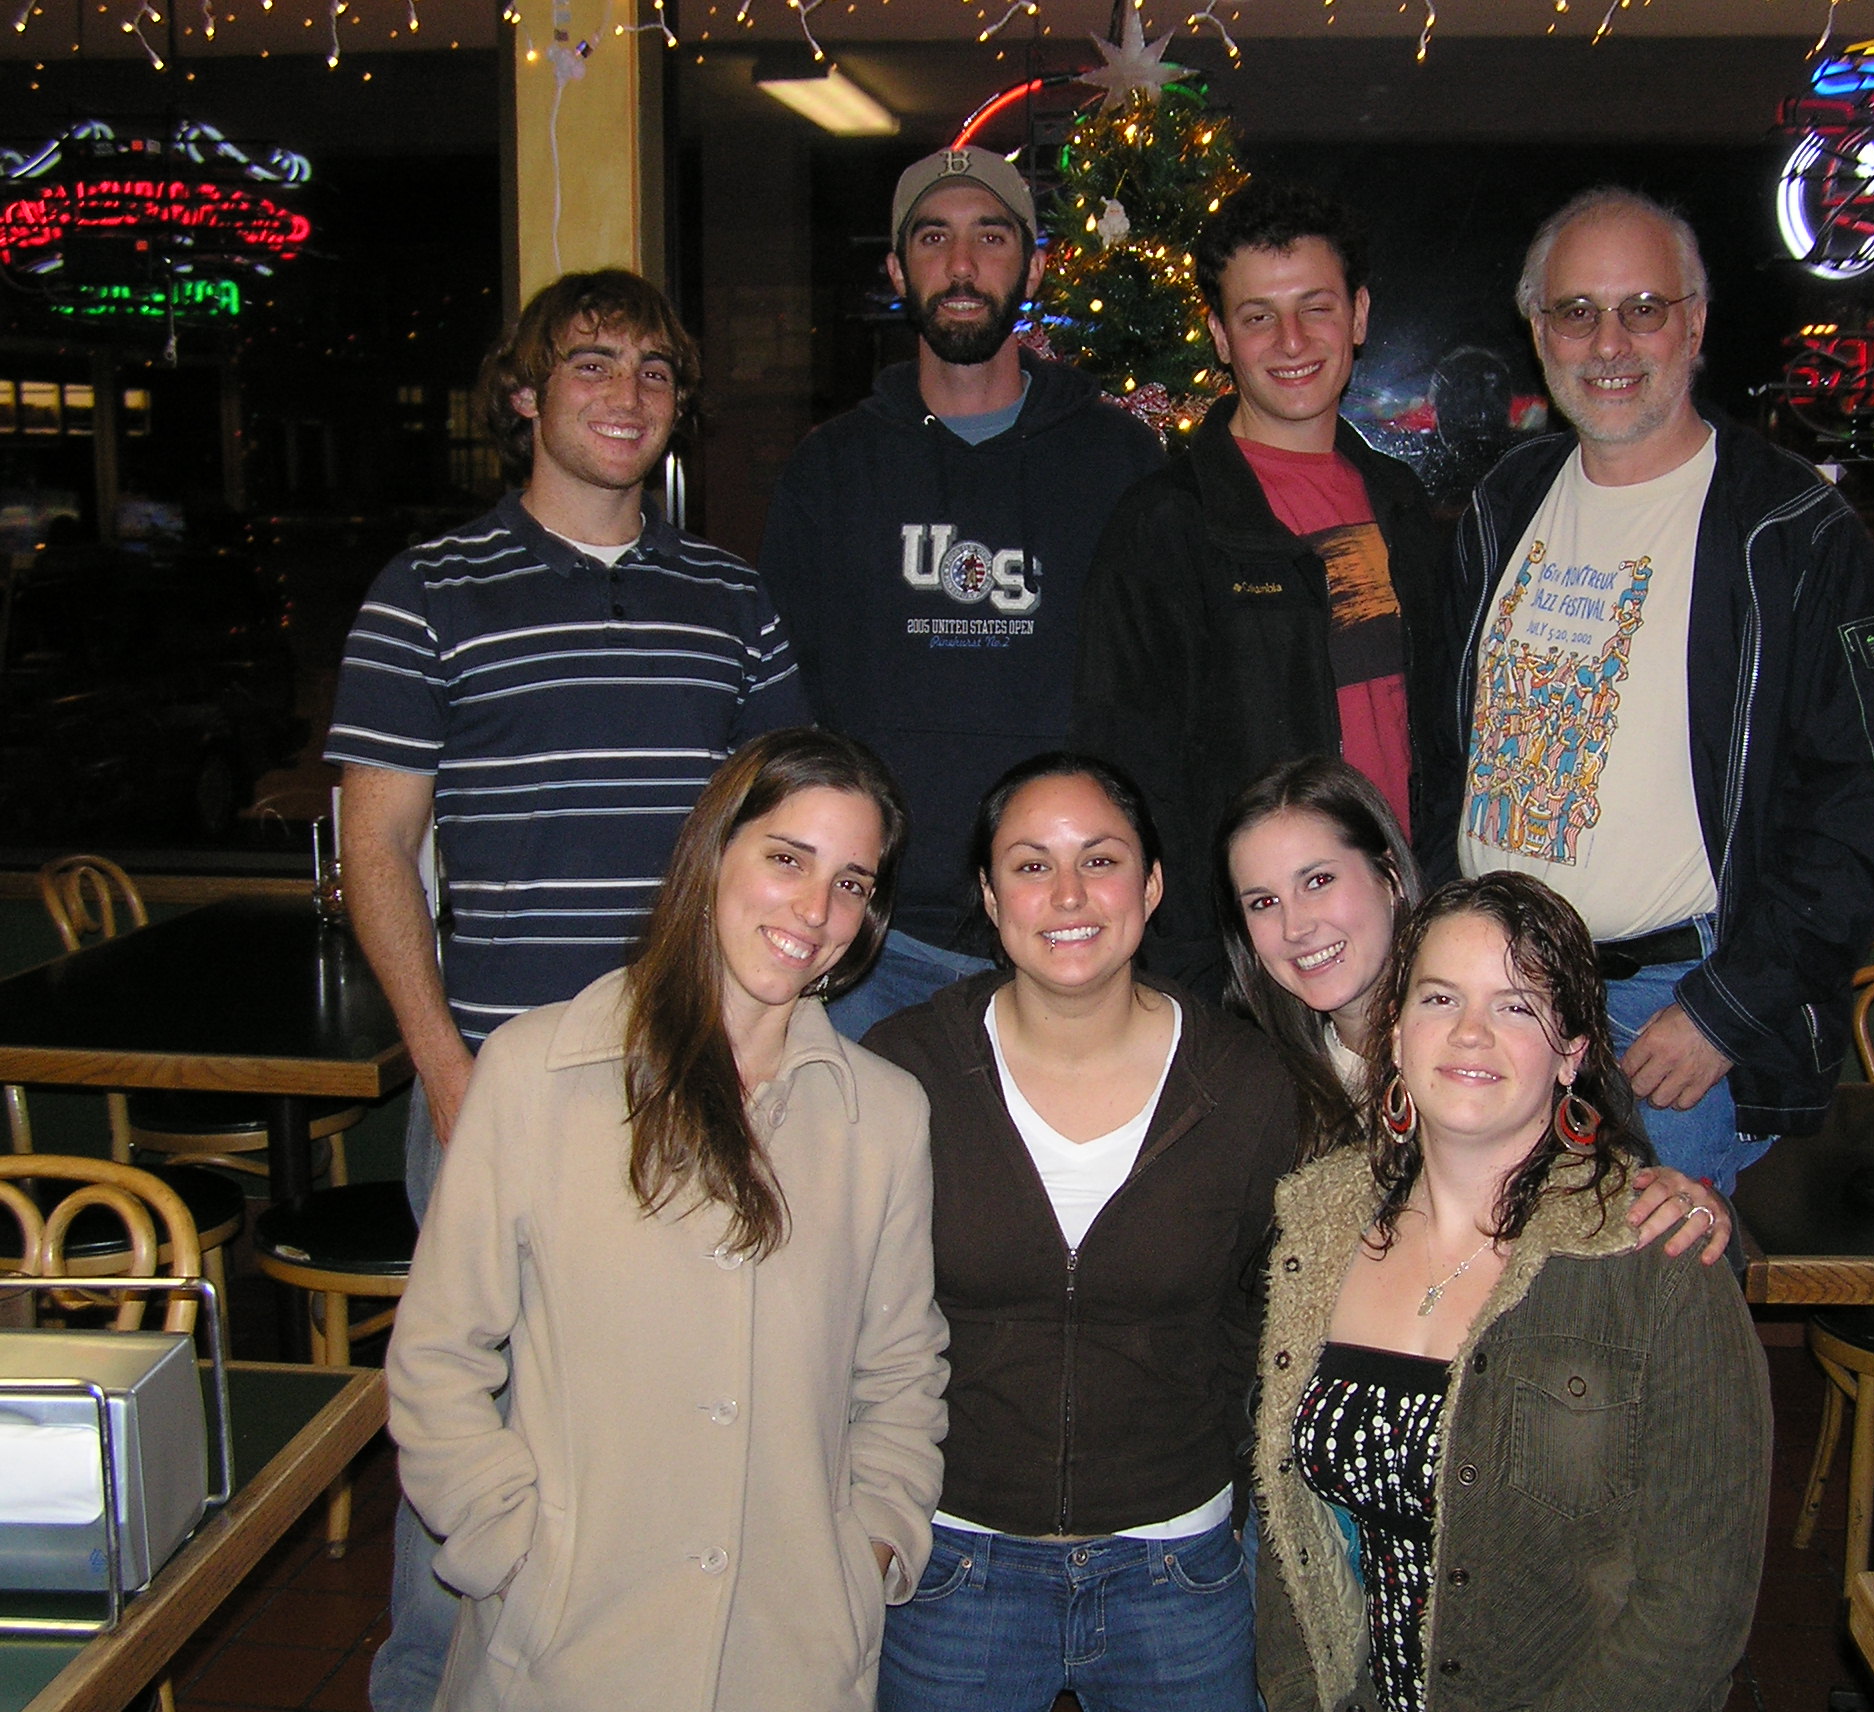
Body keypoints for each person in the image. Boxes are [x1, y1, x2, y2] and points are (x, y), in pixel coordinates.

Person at [325, 267, 809, 1711]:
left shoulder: (730, 598)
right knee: (469, 1432)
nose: (626, 393)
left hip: (695, 1079)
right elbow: (376, 853)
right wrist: (447, 1071)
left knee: (684, 1419)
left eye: (656, 371)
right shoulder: (427, 593)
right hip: (504, 1081)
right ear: (525, 395)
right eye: (591, 363)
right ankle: (426, 1690)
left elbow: (787, 835)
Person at [386, 729, 948, 1712]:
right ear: (711, 852)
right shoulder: (532, 1074)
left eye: (852, 883)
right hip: (563, 1654)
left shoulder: (885, 1116)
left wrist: (868, 1553)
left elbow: (901, 1370)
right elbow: (437, 1354)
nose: (816, 910)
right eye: (787, 859)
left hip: (791, 1657)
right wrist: (510, 1552)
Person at [1453, 187, 1874, 1192]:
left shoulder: (1792, 529)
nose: (1608, 342)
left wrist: (1729, 1008)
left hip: (1668, 1015)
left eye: (1643, 308)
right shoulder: (1504, 504)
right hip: (1491, 994)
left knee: (1642, 1293)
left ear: (1695, 323)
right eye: (1576, 311)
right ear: (1538, 330)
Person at [1253, 872, 1771, 1712]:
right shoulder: (1319, 1228)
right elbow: (1291, 1539)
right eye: (1440, 998)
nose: (1470, 1033)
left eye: (1516, 1006)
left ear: (1572, 1053)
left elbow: (1697, 1606)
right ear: (1395, 1034)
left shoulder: (1660, 1255)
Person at [862, 752, 1295, 1712]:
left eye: (1100, 860)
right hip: (951, 1565)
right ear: (989, 896)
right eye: (1030, 865)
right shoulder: (905, 1068)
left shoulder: (1244, 1083)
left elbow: (1265, 1313)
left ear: (1152, 885)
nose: (1068, 894)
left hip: (1178, 1570)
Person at [756, 148, 1164, 1037]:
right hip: (874, 944)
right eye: (934, 239)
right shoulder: (830, 472)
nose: (964, 264)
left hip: (1069, 932)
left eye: (992, 236)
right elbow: (787, 715)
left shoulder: (1120, 464)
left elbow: (1161, 700)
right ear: (899, 270)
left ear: (1035, 266)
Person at [1073, 182, 1460, 1000]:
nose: (1291, 341)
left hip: (1407, 931)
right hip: (1252, 967)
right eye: (1257, 316)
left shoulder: (1401, 506)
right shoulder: (1166, 527)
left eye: (1316, 308)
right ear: (1220, 335)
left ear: (1358, 316)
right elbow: (1129, 779)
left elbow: (1438, 736)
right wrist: (1199, 977)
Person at [1216, 754, 1731, 1262]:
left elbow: (1633, 1197)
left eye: (1318, 881)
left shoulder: (1516, 1040)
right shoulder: (1251, 1090)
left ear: (1389, 876)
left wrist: (1682, 1202)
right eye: (1263, 903)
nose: (1296, 927)